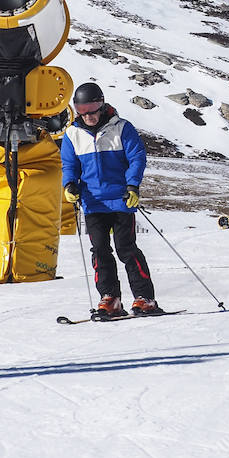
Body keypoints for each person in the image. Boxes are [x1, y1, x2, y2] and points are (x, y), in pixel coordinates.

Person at [61, 82, 162, 316]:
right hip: (92, 202)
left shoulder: (122, 128)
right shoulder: (72, 134)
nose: (88, 115)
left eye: (93, 108)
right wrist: (69, 184)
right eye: (82, 109)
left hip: (121, 200)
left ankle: (145, 298)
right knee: (100, 250)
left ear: (102, 104)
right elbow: (69, 164)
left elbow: (137, 157)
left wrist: (132, 186)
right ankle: (110, 299)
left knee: (126, 249)